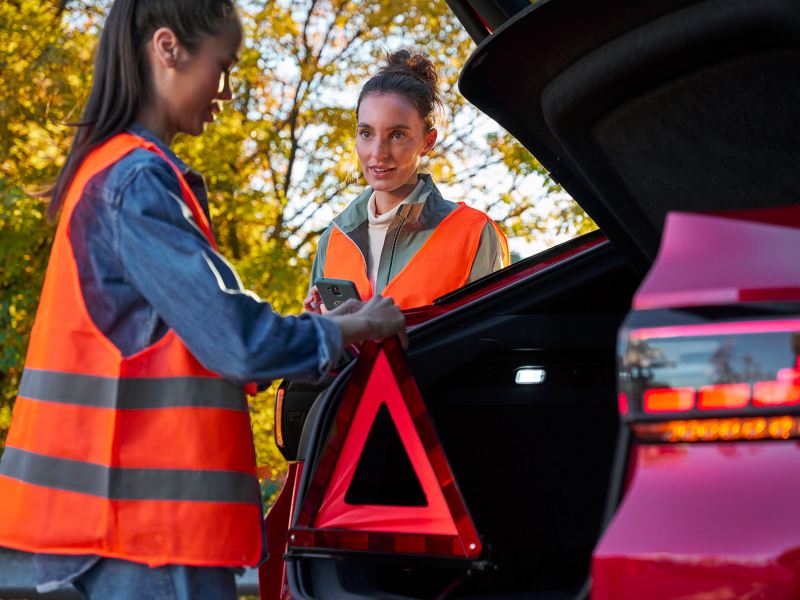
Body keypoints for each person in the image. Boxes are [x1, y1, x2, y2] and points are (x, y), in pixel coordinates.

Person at [0, 1, 404, 598]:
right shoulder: (135, 183)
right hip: (149, 532)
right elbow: (237, 342)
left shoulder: (115, 174)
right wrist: (356, 327)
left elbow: (200, 348)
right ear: (169, 49)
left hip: (129, 529)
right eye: (223, 66)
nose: (227, 90)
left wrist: (321, 332)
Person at [304, 49, 510, 314]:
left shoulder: (474, 233)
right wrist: (317, 329)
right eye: (366, 133)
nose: (378, 152)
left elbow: (491, 341)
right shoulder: (332, 240)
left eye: (397, 135)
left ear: (428, 141)